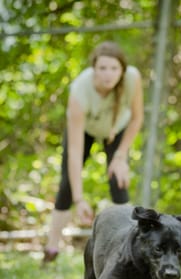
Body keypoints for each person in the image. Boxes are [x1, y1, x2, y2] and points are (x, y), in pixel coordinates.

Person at [43, 41, 144, 262]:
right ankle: (51, 248)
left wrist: (120, 157)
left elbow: (137, 118)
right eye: (102, 68)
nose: (108, 74)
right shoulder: (80, 90)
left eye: (114, 68)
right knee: (67, 186)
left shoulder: (132, 78)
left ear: (122, 70)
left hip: (117, 129)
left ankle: (128, 248)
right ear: (94, 68)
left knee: (119, 181)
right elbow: (75, 151)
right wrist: (79, 200)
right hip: (87, 130)